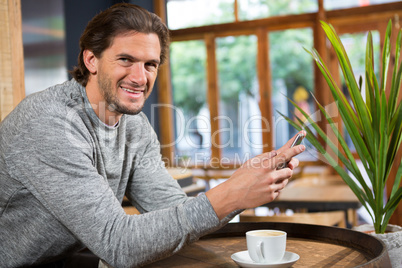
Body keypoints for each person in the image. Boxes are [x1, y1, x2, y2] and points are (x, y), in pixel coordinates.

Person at [0, 3, 305, 268]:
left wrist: (245, 186)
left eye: (150, 64)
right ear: (90, 60)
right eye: (125, 60)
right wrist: (230, 195)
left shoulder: (135, 126)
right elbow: (119, 243)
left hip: (64, 258)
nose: (139, 77)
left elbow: (172, 212)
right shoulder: (49, 123)